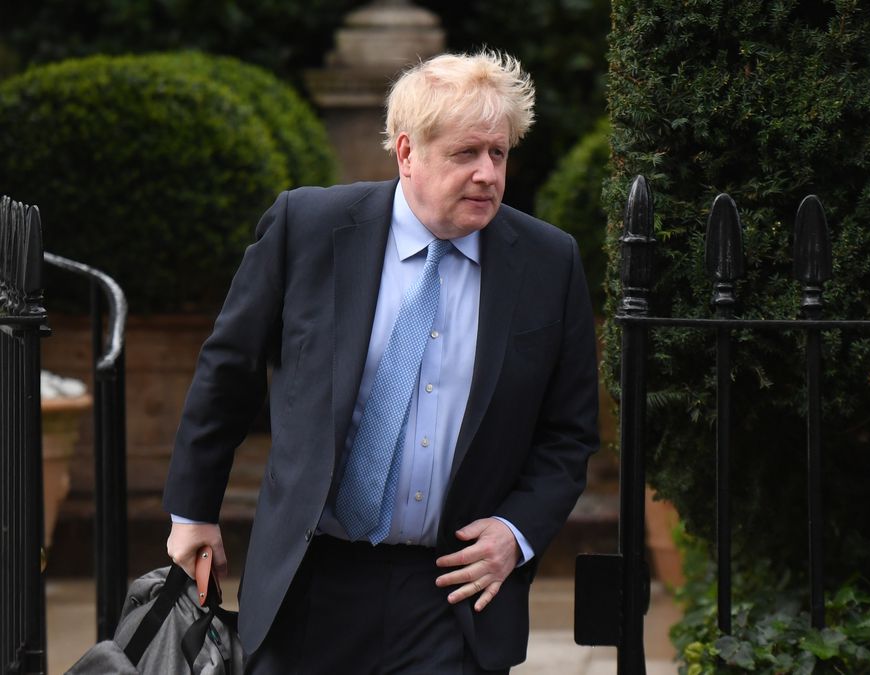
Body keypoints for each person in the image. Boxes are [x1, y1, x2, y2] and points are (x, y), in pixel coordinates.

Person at [162, 50, 599, 674]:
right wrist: (192, 513)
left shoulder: (548, 263)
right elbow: (227, 373)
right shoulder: (307, 227)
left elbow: (570, 432)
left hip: (453, 597)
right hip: (309, 582)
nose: (487, 175)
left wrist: (516, 532)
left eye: (498, 154)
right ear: (406, 153)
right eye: (465, 154)